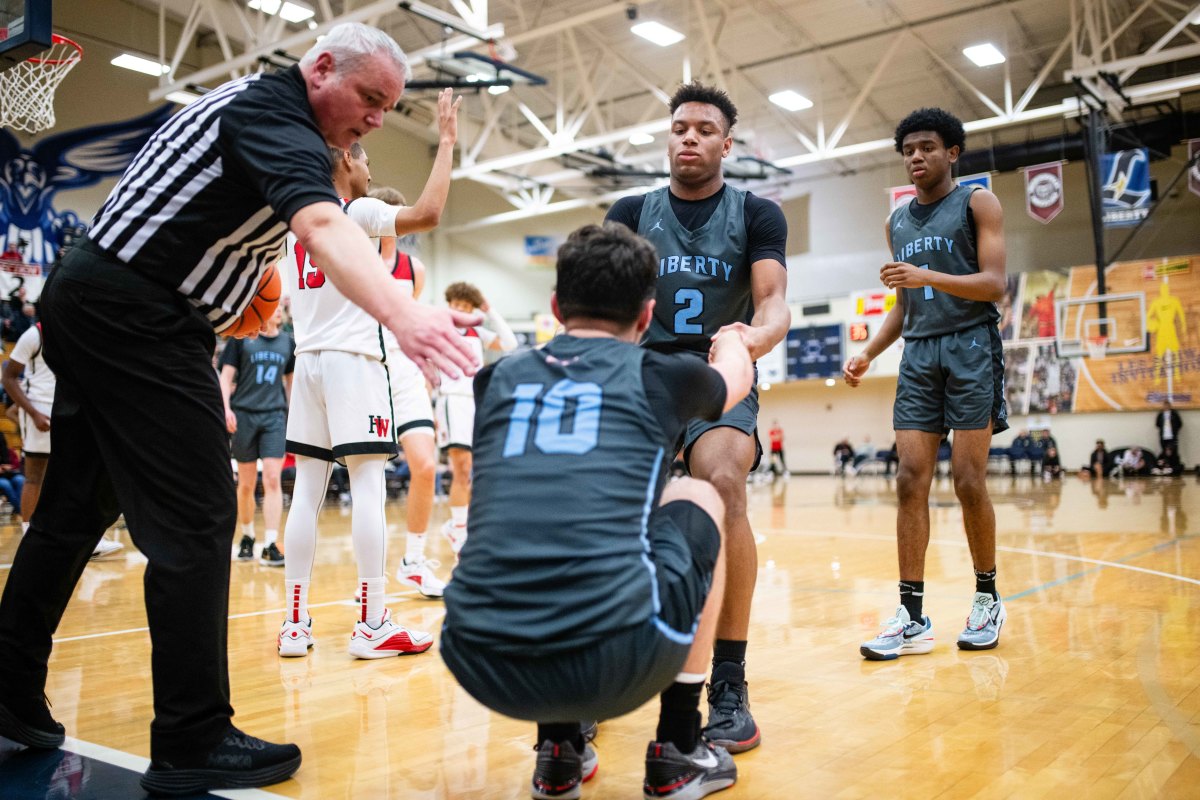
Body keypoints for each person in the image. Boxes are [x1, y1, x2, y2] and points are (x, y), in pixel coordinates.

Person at [0, 23, 480, 797]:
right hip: (139, 316)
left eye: (390, 108)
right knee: (197, 517)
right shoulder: (276, 119)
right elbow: (323, 227)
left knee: (75, 509)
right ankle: (192, 735)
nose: (376, 120)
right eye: (370, 99)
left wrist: (233, 285)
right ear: (320, 67)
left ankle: (9, 680)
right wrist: (406, 314)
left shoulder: (264, 114)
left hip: (98, 300)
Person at [441, 223, 754, 800]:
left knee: (544, 506)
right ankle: (679, 747)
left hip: (477, 656)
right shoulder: (663, 376)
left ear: (557, 307)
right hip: (612, 666)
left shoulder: (497, 379)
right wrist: (735, 341)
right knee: (699, 496)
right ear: (646, 316)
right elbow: (735, 380)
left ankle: (557, 751)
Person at [604, 81, 789, 753]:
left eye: (704, 129)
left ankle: (730, 684)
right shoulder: (630, 209)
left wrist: (750, 341)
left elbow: (773, 303)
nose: (689, 136)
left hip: (719, 374)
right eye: (680, 126)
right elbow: (605, 301)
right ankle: (595, 682)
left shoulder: (757, 214)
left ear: (726, 144)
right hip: (645, 377)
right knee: (616, 508)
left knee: (724, 483)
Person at [280, 93, 465, 661]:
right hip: (352, 362)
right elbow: (429, 214)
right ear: (343, 159)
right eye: (364, 160)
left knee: (307, 492)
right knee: (365, 483)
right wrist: (448, 141)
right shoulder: (350, 214)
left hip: (307, 360)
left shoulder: (295, 224)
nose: (369, 169)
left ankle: (294, 624)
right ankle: (373, 621)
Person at [843, 107, 1009, 660]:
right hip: (919, 354)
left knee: (967, 479)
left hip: (970, 347)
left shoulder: (977, 203)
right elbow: (905, 304)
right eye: (909, 149)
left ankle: (987, 597)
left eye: (928, 147)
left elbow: (994, 285)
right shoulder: (897, 223)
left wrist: (926, 276)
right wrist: (867, 351)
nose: (917, 157)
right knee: (910, 480)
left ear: (952, 152)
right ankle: (911, 616)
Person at [368, 184, 443, 597]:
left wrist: (428, 370)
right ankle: (371, 573)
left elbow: (410, 322)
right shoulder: (355, 260)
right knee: (370, 480)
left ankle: (413, 560)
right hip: (367, 373)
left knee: (426, 466)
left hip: (405, 373)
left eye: (400, 214)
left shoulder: (413, 269)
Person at [1, 323, 123, 558]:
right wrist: (34, 414)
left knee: (78, 477)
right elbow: (8, 377)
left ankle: (86, 537)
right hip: (40, 409)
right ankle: (29, 533)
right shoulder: (35, 334)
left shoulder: (75, 329)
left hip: (70, 408)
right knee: (35, 476)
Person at [435, 281, 518, 555]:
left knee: (473, 470)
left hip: (474, 402)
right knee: (461, 467)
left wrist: (490, 311)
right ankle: (459, 530)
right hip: (450, 400)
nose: (459, 309)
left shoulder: (476, 331)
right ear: (449, 304)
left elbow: (510, 343)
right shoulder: (439, 328)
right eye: (455, 304)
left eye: (465, 306)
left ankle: (460, 526)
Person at [219, 307, 295, 566]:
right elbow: (226, 376)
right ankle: (248, 536)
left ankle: (271, 543)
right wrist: (225, 408)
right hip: (244, 415)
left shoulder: (288, 342)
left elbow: (291, 384)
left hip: (274, 416)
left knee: (274, 479)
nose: (277, 313)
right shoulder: (243, 337)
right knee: (247, 484)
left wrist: (293, 416)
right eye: (271, 308)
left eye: (279, 309)